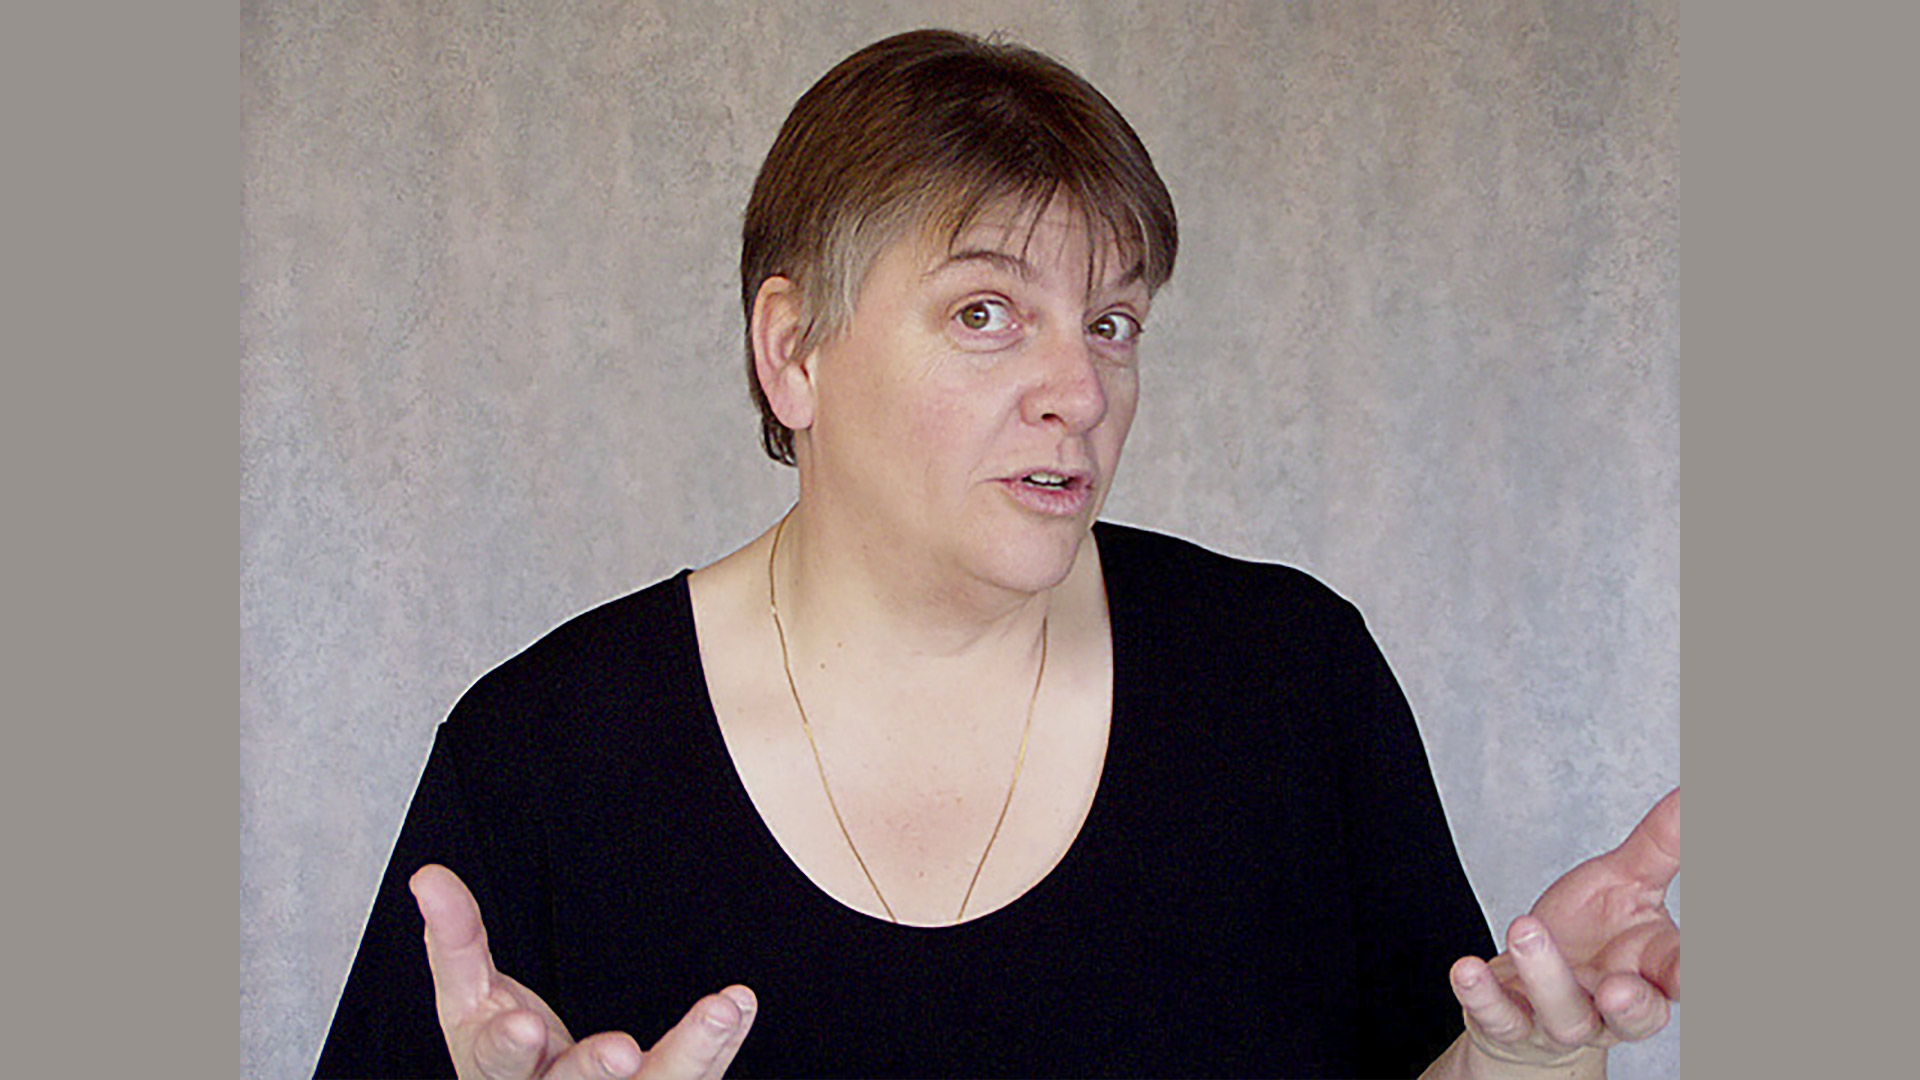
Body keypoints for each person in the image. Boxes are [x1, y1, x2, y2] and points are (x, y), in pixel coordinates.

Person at [315, 29, 1678, 1080]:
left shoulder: (1287, 684)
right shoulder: (543, 757)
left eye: (1114, 323)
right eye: (985, 311)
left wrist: (1518, 1061)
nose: (1078, 392)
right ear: (791, 349)